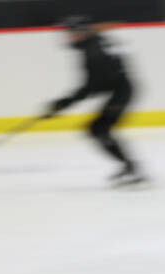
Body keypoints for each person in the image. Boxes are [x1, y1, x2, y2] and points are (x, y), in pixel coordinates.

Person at [45, 15, 144, 185]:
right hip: (120, 88)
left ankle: (132, 169)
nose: (68, 37)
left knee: (99, 128)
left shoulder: (93, 53)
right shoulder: (95, 43)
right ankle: (129, 167)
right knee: (98, 129)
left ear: (82, 32)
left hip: (121, 91)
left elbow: (91, 87)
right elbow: (97, 84)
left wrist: (63, 104)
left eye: (71, 33)